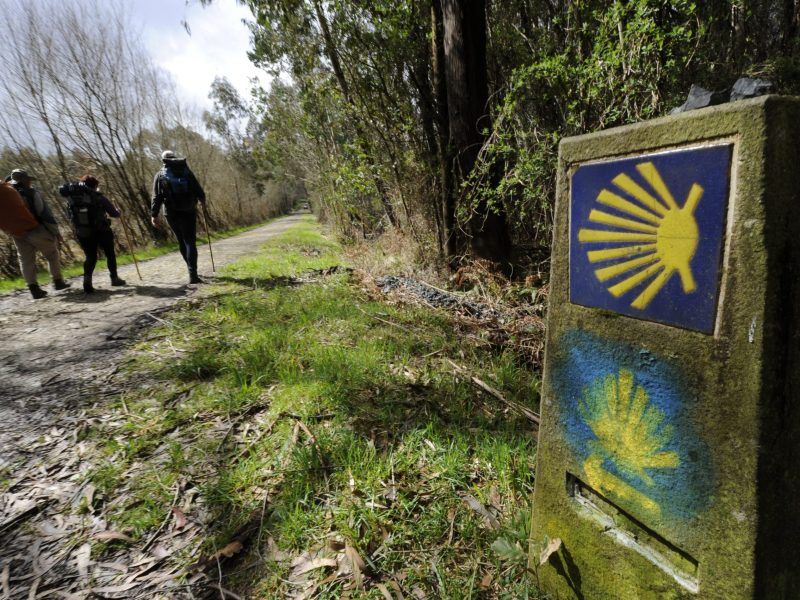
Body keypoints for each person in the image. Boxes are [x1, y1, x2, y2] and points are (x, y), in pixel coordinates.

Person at [3, 170, 70, 299]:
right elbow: (44, 213)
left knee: (26, 260)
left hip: (17, 233)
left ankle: (34, 289)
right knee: (52, 254)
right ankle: (58, 282)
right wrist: (55, 232)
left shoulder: (7, 194)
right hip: (36, 229)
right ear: (24, 180)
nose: (30, 182)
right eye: (28, 180)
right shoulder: (31, 193)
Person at [59, 175, 126, 294]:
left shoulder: (73, 201)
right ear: (95, 186)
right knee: (110, 254)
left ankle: (87, 282)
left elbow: (69, 216)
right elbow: (114, 214)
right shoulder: (99, 198)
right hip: (102, 230)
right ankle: (114, 279)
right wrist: (118, 211)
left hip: (83, 232)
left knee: (91, 256)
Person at [151, 150, 206, 284]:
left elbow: (156, 197)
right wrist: (202, 200)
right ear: (175, 158)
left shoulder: (160, 175)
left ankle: (190, 269)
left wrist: (154, 215)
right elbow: (197, 187)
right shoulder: (186, 171)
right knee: (190, 241)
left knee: (182, 241)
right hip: (188, 210)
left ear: (163, 160)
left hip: (171, 212)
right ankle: (193, 274)